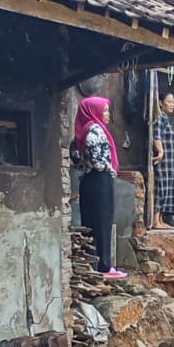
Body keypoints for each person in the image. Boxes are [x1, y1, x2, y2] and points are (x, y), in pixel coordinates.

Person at [72, 96, 126, 279]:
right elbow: (98, 160)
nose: (107, 114)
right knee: (102, 222)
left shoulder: (83, 130)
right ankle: (104, 267)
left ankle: (91, 264)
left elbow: (76, 157)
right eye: (104, 110)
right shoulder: (95, 130)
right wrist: (110, 170)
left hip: (88, 181)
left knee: (90, 223)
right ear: (93, 111)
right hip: (100, 179)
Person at [151, 90, 174, 229]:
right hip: (164, 162)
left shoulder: (166, 119)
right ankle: (155, 221)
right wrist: (161, 151)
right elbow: (156, 136)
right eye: (169, 101)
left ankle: (161, 220)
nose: (171, 105)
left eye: (173, 102)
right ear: (160, 103)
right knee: (161, 188)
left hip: (171, 163)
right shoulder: (159, 117)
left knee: (167, 188)